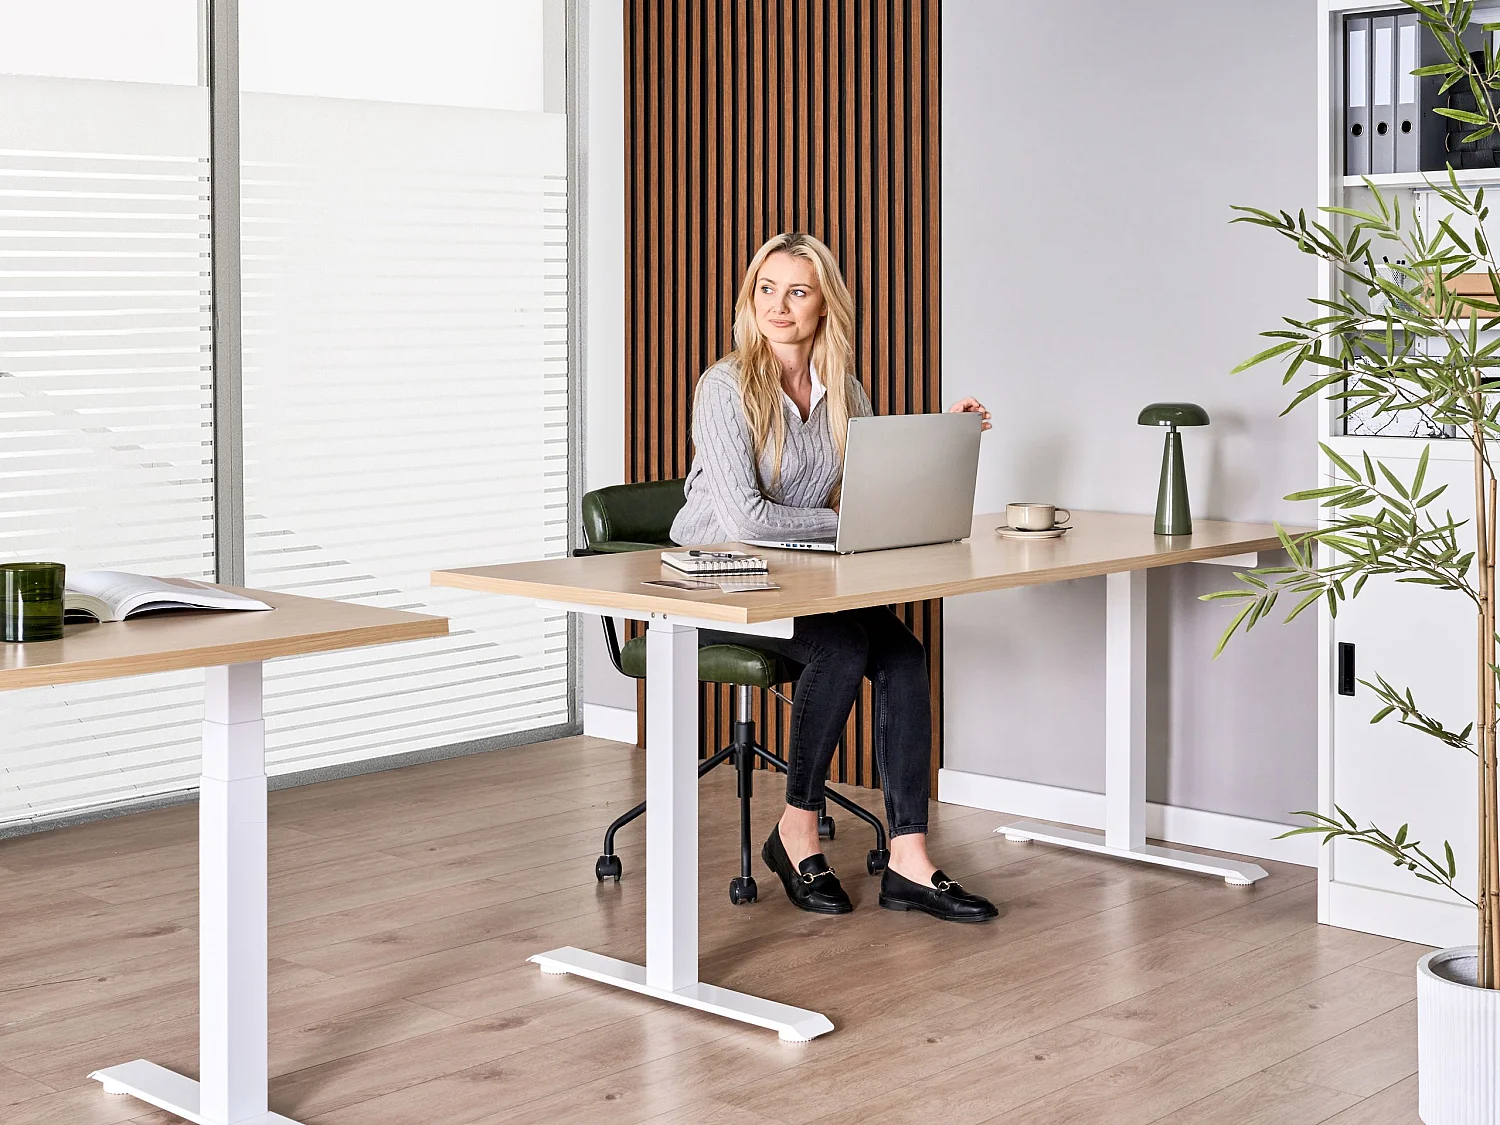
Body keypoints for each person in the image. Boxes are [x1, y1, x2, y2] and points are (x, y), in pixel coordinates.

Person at [670, 231, 999, 923]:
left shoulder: (845, 391)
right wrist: (847, 523)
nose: (778, 306)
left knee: (904, 656)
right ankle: (796, 829)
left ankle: (909, 858)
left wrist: (946, 439)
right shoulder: (724, 387)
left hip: (799, 574)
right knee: (842, 647)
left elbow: (870, 494)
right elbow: (748, 520)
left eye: (797, 291)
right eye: (766, 289)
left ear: (826, 305)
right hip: (717, 578)